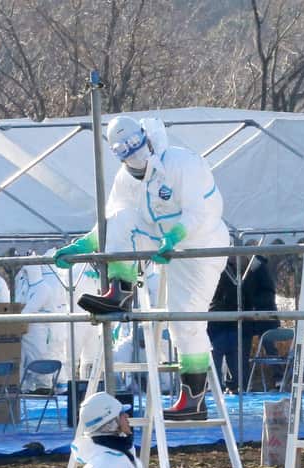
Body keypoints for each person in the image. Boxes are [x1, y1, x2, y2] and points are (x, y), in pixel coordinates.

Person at [54, 116, 228, 420]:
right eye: (125, 150)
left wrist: (174, 237)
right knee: (122, 220)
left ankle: (194, 399)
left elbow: (202, 212)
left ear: (147, 139)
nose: (133, 155)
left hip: (201, 246)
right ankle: (119, 292)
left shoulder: (181, 163)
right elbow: (115, 220)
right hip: (162, 240)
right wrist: (83, 245)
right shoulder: (125, 179)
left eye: (135, 145)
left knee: (185, 321)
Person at [207, 254, 279, 392]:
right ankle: (230, 386)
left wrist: (252, 304)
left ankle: (277, 378)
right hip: (230, 322)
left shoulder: (257, 268)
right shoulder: (224, 270)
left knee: (261, 350)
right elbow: (218, 295)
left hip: (259, 318)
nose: (234, 258)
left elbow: (267, 294)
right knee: (231, 355)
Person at [16, 260, 70, 394]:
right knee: (24, 358)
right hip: (26, 329)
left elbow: (30, 309)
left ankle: (44, 386)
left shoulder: (43, 288)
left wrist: (15, 318)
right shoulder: (26, 286)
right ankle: (26, 386)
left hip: (39, 329)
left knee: (39, 356)